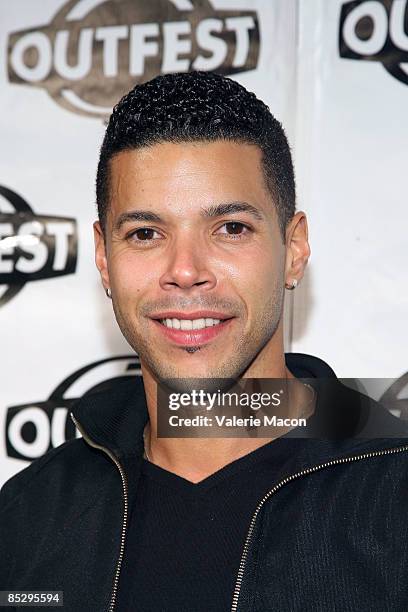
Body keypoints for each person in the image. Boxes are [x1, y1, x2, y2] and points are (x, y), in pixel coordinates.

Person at [1, 71, 407, 612]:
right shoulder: (31, 513)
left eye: (231, 228)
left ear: (293, 248)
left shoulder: (394, 497)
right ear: (103, 257)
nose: (185, 271)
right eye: (146, 233)